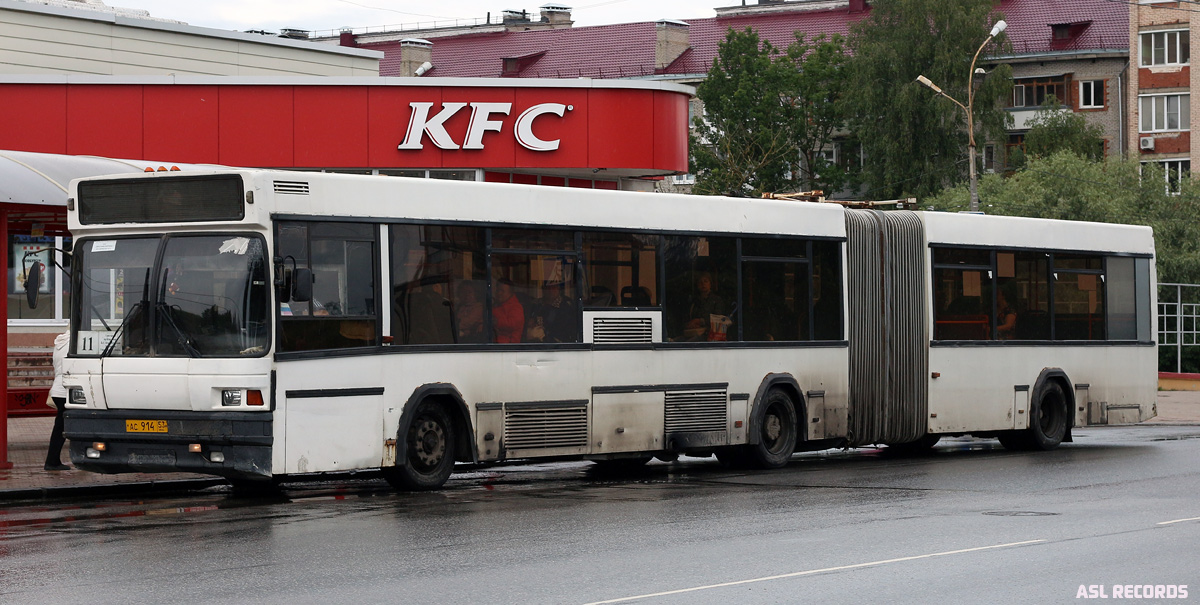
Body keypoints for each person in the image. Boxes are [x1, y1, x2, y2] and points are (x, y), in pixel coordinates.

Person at [45, 331, 70, 471]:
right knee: (62, 428)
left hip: (57, 390)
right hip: (67, 390)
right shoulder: (73, 342)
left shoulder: (60, 343)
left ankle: (53, 460)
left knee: (60, 427)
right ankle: (52, 461)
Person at [492, 279, 524, 343]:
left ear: (510, 293)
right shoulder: (496, 305)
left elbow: (512, 324)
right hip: (494, 343)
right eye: (498, 290)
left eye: (502, 291)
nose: (499, 293)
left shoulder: (516, 307)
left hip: (508, 346)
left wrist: (496, 321)